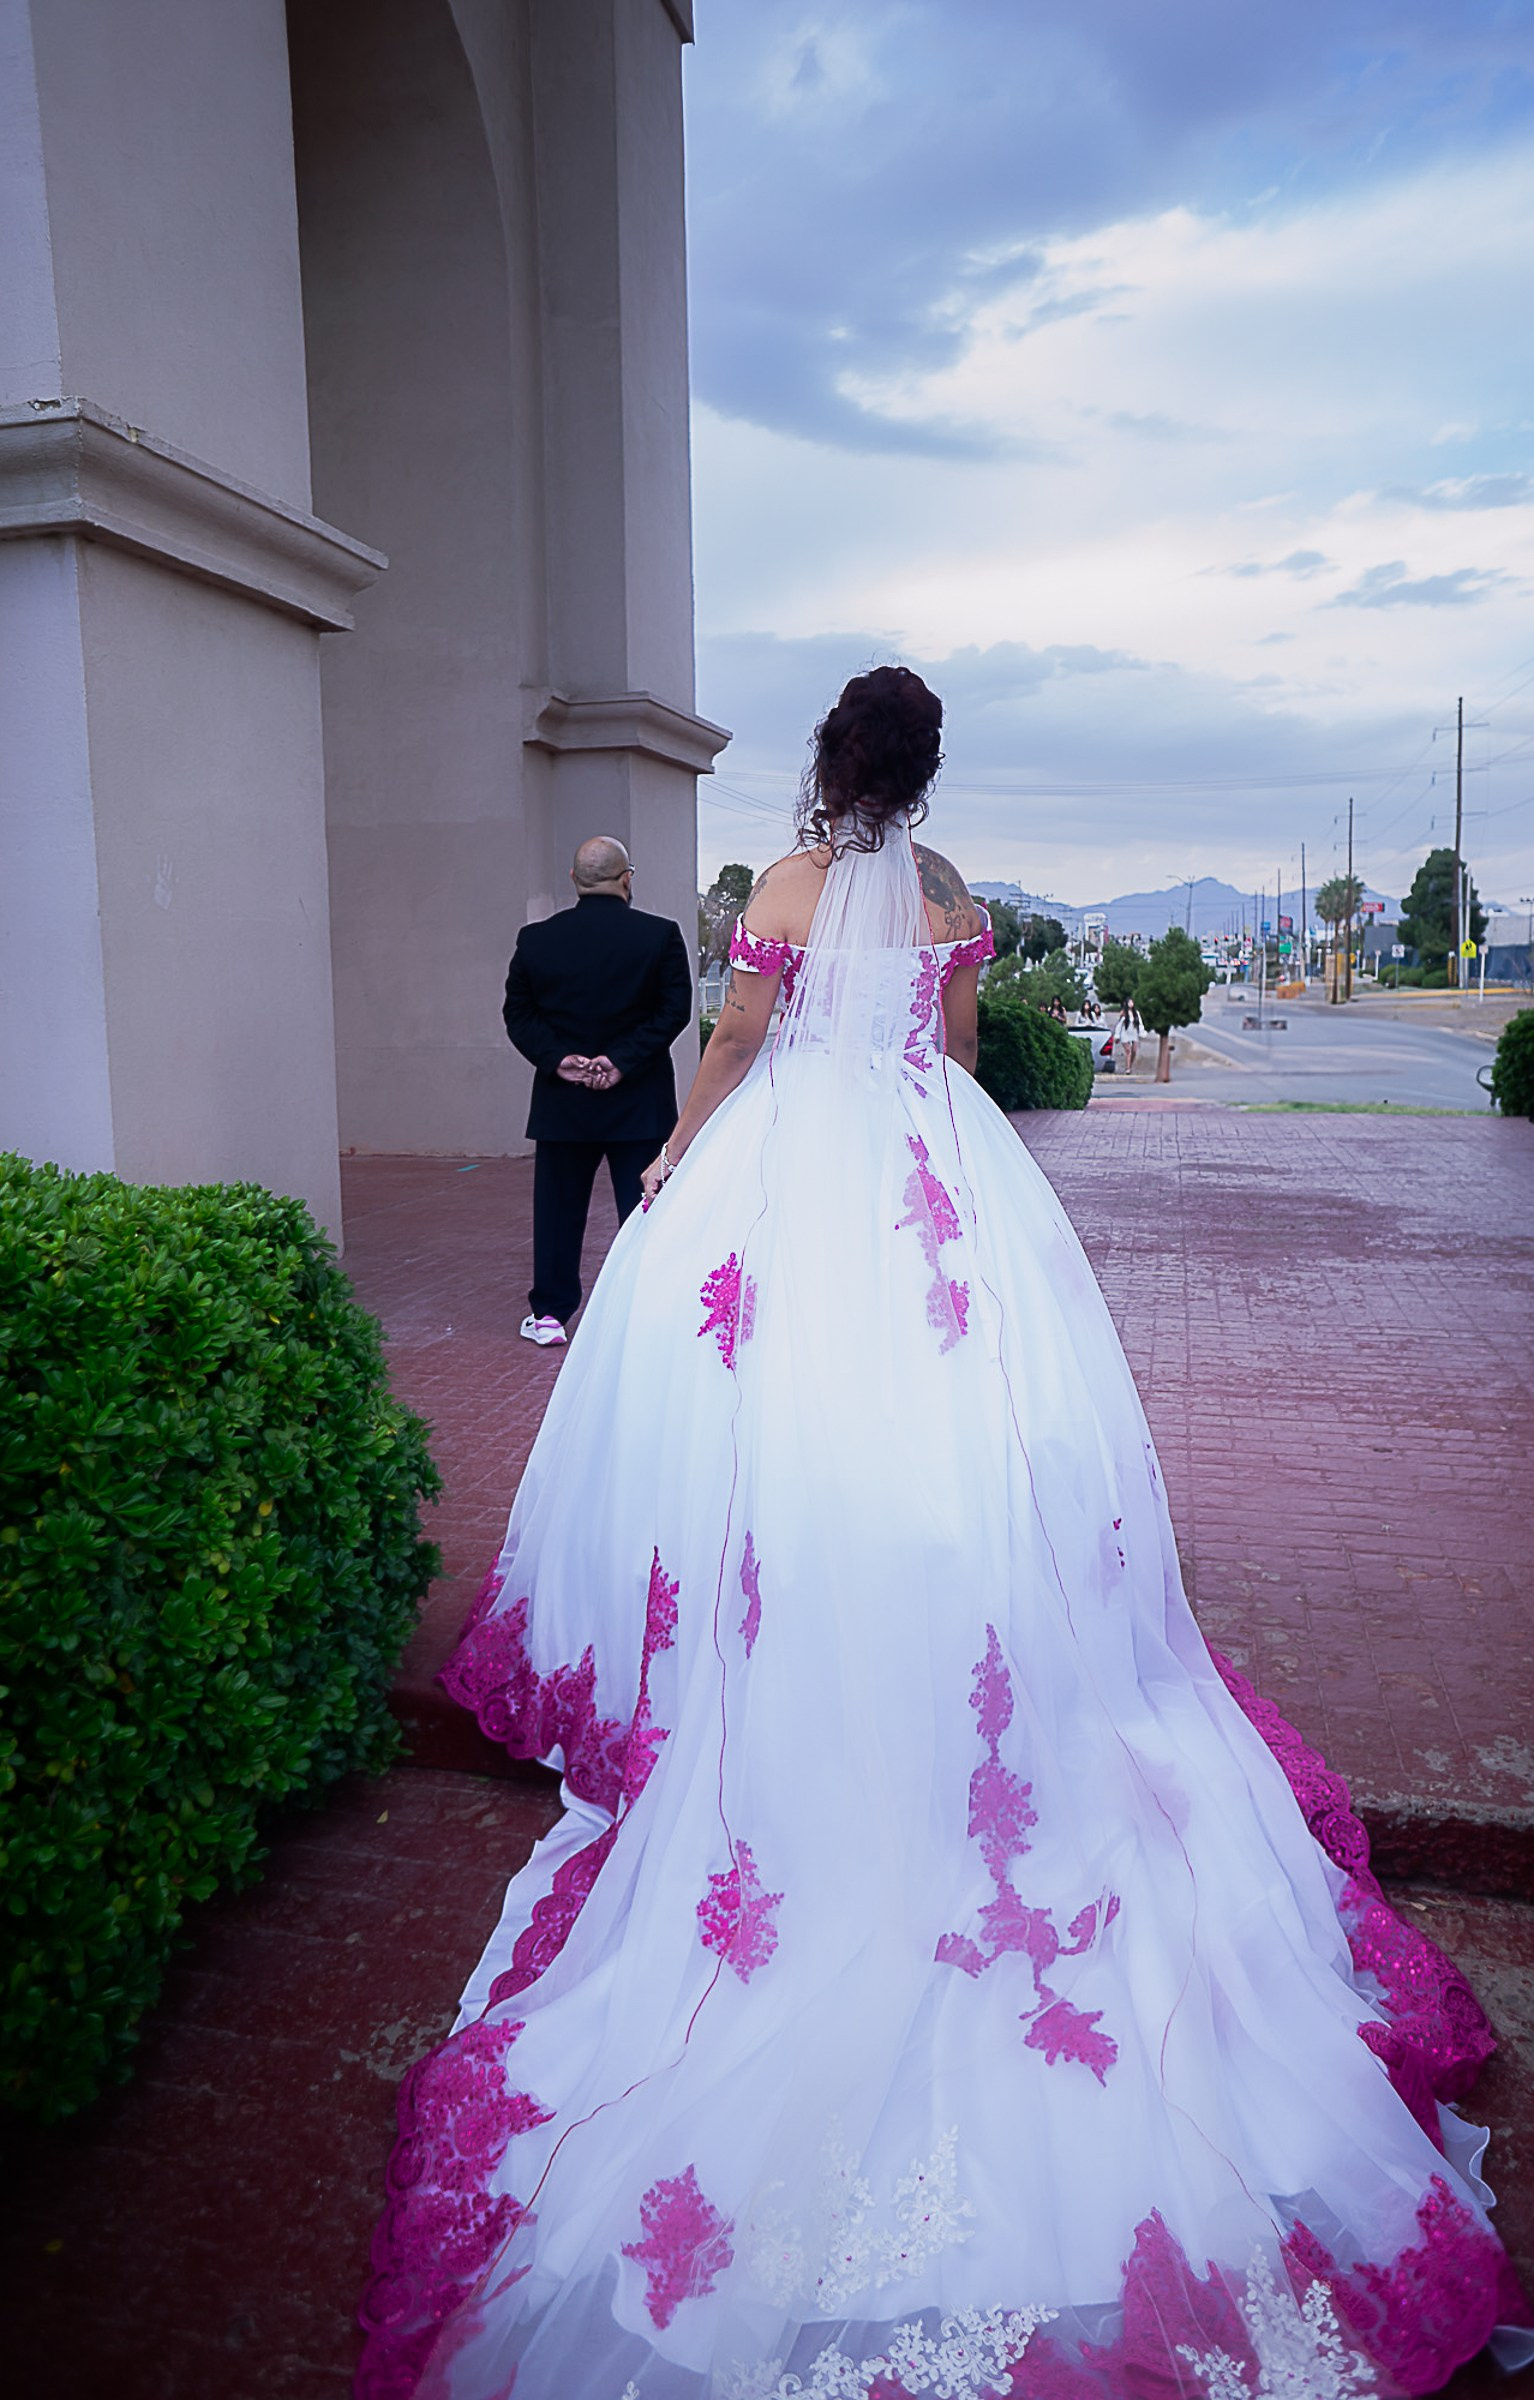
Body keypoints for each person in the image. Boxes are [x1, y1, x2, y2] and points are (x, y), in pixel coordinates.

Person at [359, 670, 1531, 2399]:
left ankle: (767, 1636)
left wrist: (681, 1155)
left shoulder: (776, 888)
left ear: (829, 761)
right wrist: (928, 1110)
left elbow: (747, 1046)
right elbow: (957, 1057)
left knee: (753, 1422)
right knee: (969, 1424)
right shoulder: (947, 898)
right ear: (921, 775)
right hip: (926, 1166)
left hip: (788, 1166)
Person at [502, 836, 691, 1346]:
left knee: (558, 1211)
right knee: (647, 1205)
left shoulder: (535, 940)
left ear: (574, 880)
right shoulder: (660, 936)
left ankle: (549, 1315)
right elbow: (673, 1012)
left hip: (564, 1102)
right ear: (627, 877)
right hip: (639, 1098)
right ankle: (651, 1309)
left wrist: (559, 1060)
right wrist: (622, 1061)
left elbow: (518, 1014)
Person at [1117, 993, 1144, 1075]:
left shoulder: (1136, 1013)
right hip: (1125, 1033)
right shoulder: (1123, 1013)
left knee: (1134, 1050)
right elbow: (1119, 1025)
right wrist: (1117, 1035)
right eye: (1129, 1002)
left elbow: (1140, 1023)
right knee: (1128, 1050)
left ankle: (1130, 1065)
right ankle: (1127, 1068)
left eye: (1132, 1002)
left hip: (1134, 1033)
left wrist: (1142, 1032)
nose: (1131, 1004)